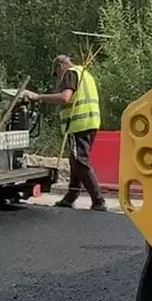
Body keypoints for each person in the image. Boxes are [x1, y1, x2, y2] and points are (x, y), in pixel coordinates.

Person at [22, 54, 107, 210]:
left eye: (57, 74)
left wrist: (38, 96)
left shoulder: (70, 73)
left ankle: (98, 200)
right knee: (75, 161)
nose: (58, 79)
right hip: (91, 122)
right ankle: (71, 196)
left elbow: (64, 97)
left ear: (60, 66)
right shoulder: (84, 73)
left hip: (79, 124)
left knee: (80, 161)